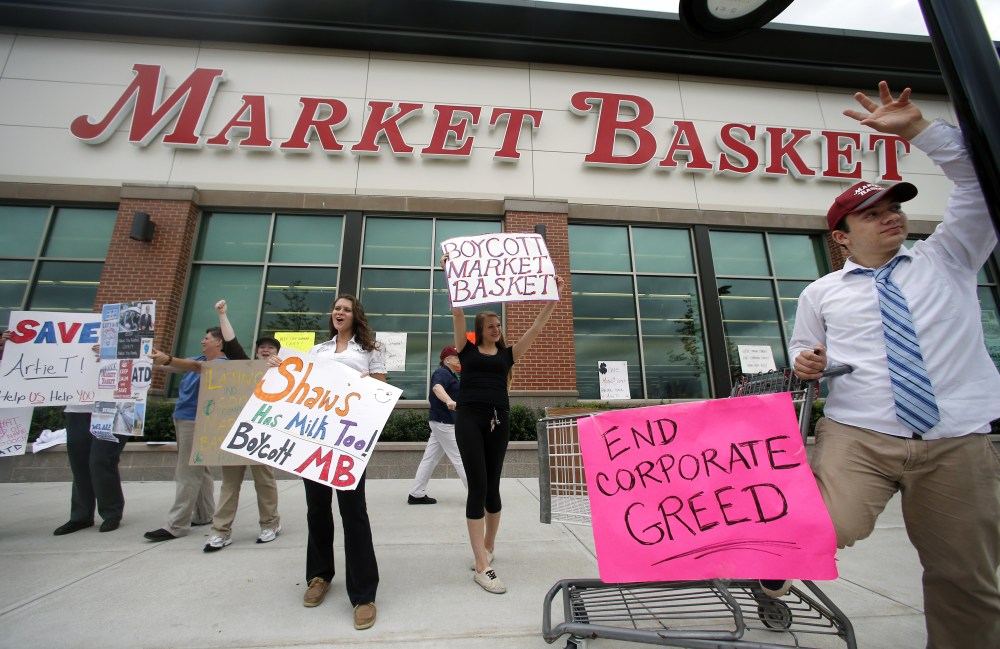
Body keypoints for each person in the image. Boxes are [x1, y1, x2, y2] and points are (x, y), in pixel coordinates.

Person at [789, 81, 1000, 647]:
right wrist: (806, 362)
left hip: (956, 440)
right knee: (827, 527)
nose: (890, 219)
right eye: (871, 215)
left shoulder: (949, 258)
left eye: (893, 209)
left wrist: (919, 132)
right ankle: (774, 565)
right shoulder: (823, 293)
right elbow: (801, 351)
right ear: (842, 236)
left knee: (966, 576)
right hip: (860, 435)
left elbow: (983, 181)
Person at [443, 255, 562, 594]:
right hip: (468, 418)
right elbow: (457, 312)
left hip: (499, 420)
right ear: (481, 330)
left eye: (499, 325)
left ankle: (488, 547)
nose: (497, 328)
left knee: (493, 487)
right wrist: (452, 273)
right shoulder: (466, 350)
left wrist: (552, 298)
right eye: (492, 325)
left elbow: (536, 329)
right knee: (477, 487)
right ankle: (482, 566)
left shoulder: (508, 354)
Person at [273, 294, 384, 630]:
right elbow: (301, 386)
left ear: (356, 315)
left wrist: (365, 384)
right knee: (316, 509)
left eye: (346, 309)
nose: (339, 312)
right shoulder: (318, 351)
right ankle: (319, 576)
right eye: (336, 308)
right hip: (316, 441)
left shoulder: (371, 350)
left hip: (349, 442)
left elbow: (380, 389)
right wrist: (280, 370)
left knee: (354, 512)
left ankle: (364, 594)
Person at [201, 299, 282, 552]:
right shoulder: (243, 367)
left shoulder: (284, 376)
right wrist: (223, 314)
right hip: (236, 435)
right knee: (229, 485)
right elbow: (231, 343)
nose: (266, 350)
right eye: (262, 348)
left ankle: (270, 523)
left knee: (265, 482)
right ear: (256, 352)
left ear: (277, 354)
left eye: (271, 348)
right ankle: (220, 531)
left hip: (262, 436)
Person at [143, 327, 227, 541]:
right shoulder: (194, 359)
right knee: (201, 468)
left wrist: (168, 358)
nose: (202, 341)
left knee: (187, 471)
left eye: (207, 338)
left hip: (197, 420)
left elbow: (193, 366)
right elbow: (168, 366)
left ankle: (177, 524)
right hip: (184, 418)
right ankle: (204, 513)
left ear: (219, 343)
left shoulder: (219, 363)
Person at [407, 345, 468, 505]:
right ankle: (478, 496)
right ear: (448, 360)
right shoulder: (442, 373)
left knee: (430, 459)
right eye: (456, 356)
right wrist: (448, 400)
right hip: (444, 423)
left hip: (442, 423)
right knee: (462, 458)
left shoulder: (452, 375)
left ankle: (416, 494)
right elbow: (436, 387)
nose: (459, 359)